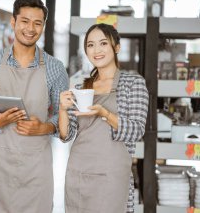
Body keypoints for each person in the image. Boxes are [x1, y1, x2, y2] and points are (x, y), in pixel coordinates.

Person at [0, 0, 69, 212]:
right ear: (13, 22)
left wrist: (44, 127)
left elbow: (64, 117)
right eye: (25, 21)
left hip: (37, 169)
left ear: (44, 25)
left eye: (37, 23)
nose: (30, 28)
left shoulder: (55, 68)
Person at [59, 23, 149, 213]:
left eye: (103, 44)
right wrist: (62, 108)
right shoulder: (81, 86)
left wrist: (105, 114)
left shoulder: (133, 83)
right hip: (78, 173)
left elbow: (136, 130)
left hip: (112, 177)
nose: (96, 50)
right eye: (90, 45)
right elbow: (66, 135)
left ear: (116, 47)